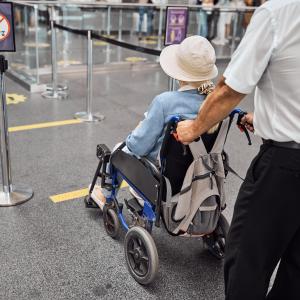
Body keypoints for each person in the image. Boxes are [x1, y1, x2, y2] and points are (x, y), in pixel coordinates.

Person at [176, 0, 300, 299]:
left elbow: (229, 89)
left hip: (285, 167)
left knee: (248, 258)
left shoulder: (277, 12)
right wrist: (272, 117)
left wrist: (193, 129)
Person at [90, 36, 219, 209]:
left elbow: (138, 147)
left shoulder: (165, 102)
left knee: (118, 149)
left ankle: (106, 196)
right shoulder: (216, 104)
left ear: (179, 73)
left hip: (160, 180)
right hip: (199, 178)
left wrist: (134, 134)